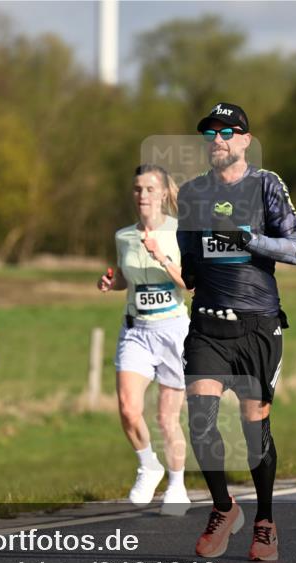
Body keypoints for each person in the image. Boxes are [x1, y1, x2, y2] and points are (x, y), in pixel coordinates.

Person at [176, 102, 296, 561]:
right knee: (200, 419)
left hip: (257, 326)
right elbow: (189, 265)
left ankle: (265, 521)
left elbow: (295, 249)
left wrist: (248, 239)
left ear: (246, 140)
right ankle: (224, 507)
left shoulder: (267, 185)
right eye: (210, 134)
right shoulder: (192, 193)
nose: (218, 140)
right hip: (208, 324)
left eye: (228, 132)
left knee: (255, 433)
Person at [97, 165, 191, 515]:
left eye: (150, 189)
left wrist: (161, 256)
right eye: (137, 189)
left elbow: (191, 284)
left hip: (173, 331)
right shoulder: (124, 236)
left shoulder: (180, 232)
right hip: (136, 330)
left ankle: (178, 486)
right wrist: (111, 283)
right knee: (127, 408)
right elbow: (125, 277)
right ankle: (148, 465)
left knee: (168, 419)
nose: (143, 195)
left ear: (164, 193)